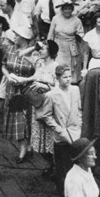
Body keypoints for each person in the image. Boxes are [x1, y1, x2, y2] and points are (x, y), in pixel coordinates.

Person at [42, 65, 82, 194]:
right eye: (65, 77)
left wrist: (79, 123)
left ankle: (75, 190)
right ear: (58, 78)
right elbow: (46, 116)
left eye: (70, 76)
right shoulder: (51, 95)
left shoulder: (75, 90)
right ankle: (62, 190)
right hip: (61, 135)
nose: (68, 79)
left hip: (75, 131)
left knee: (76, 162)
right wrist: (58, 129)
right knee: (62, 165)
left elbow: (79, 108)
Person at [3, 25, 36, 162]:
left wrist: (25, 80)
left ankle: (29, 145)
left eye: (17, 35)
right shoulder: (10, 50)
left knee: (28, 117)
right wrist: (8, 76)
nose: (14, 37)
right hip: (12, 89)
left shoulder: (33, 54)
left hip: (27, 89)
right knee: (17, 118)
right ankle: (23, 147)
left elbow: (40, 73)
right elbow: (3, 65)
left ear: (24, 37)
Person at [29, 40, 58, 173]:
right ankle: (49, 164)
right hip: (37, 102)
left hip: (49, 104)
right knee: (39, 133)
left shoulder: (56, 67)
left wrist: (45, 86)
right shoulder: (40, 64)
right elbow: (34, 78)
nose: (40, 51)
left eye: (43, 49)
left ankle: (55, 165)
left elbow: (59, 89)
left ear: (50, 51)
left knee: (50, 134)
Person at [48, 2, 84, 84]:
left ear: (72, 10)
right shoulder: (55, 19)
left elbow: (81, 33)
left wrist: (78, 35)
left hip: (71, 46)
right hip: (58, 45)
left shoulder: (77, 20)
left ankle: (72, 84)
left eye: (69, 9)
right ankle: (58, 83)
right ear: (62, 10)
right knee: (59, 64)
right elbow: (50, 34)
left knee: (72, 66)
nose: (67, 11)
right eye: (65, 9)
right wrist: (50, 47)